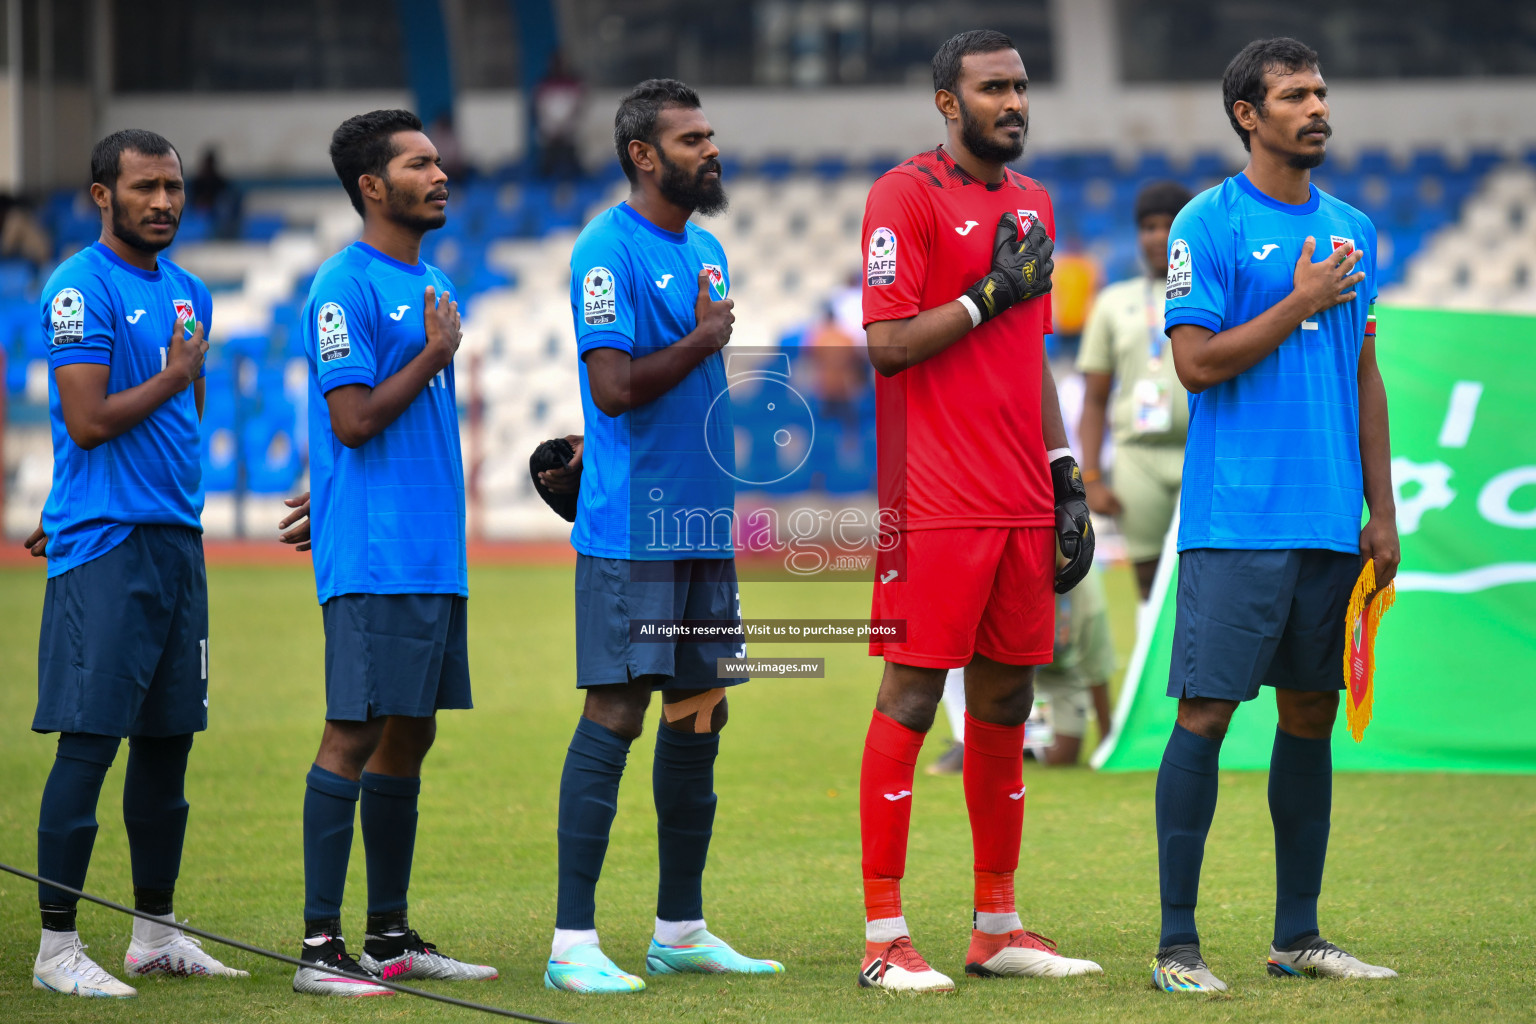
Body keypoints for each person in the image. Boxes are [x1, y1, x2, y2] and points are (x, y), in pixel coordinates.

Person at [1150, 38, 1399, 993]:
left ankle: (1299, 936)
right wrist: (1296, 298)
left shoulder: (1354, 229)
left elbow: (1363, 372)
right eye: (1296, 95)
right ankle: (1178, 946)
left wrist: (1382, 507)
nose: (1318, 107)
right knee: (1207, 715)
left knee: (1312, 714)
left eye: (1323, 91)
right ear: (1249, 114)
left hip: (1331, 519)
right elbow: (1197, 364)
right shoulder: (1205, 224)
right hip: (1237, 518)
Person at [856, 30, 1100, 992]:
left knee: (1006, 700)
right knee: (914, 699)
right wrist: (989, 291)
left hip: (1017, 493)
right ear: (947, 103)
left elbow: (1027, 346)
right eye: (993, 87)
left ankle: (996, 925)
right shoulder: (903, 196)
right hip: (935, 498)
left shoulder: (1034, 203)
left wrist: (1065, 469)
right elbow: (886, 346)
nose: (1014, 102)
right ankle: (884, 936)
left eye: (1022, 86)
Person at [543, 78, 783, 994]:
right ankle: (572, 943)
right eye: (693, 138)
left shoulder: (709, 246)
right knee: (617, 711)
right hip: (633, 529)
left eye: (711, 134)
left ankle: (679, 927)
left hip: (700, 523)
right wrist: (703, 338)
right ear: (644, 155)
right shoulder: (607, 249)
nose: (711, 149)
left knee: (700, 714)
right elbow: (612, 389)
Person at [277, 109, 496, 997]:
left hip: (431, 551)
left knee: (413, 732)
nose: (441, 174)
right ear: (373, 186)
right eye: (419, 163)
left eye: (439, 161)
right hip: (376, 555)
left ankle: (391, 938)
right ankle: (320, 948)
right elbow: (353, 418)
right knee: (354, 731)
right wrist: (437, 352)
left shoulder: (428, 277)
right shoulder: (344, 286)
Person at [27, 129, 246, 998]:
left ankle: (155, 933)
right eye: (146, 186)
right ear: (101, 196)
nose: (164, 201)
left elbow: (179, 425)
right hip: (108, 545)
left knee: (169, 747)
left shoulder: (190, 291)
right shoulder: (79, 287)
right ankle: (55, 951)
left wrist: (177, 379)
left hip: (174, 542)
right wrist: (175, 372)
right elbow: (87, 421)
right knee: (89, 744)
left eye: (174, 186)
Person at [1076, 181, 1194, 600]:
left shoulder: (1213, 292)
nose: (1159, 236)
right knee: (1147, 584)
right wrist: (1089, 476)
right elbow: (1094, 399)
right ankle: (1153, 664)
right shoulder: (1112, 301)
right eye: (1148, 226)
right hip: (1136, 457)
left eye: (1170, 225)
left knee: (1201, 582)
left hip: (1199, 452)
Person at [929, 564, 1115, 772]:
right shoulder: (1001, 571)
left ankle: (1027, 726)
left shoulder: (1083, 591)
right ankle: (965, 740)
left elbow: (1096, 665)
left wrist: (1107, 742)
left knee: (1061, 756)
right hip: (1003, 667)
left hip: (1059, 672)